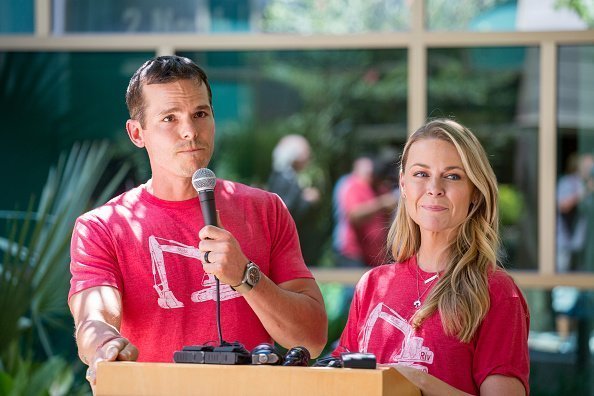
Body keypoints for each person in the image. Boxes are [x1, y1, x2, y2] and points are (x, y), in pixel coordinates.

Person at [68, 55, 327, 387]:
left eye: (200, 114)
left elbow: (313, 338)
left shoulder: (266, 209)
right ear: (137, 133)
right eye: (169, 118)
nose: (190, 131)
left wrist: (246, 276)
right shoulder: (103, 226)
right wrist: (105, 348)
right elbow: (95, 318)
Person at [333, 119, 530, 395]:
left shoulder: (496, 292)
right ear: (403, 185)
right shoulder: (372, 286)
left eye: (452, 176)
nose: (434, 187)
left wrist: (418, 382)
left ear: (474, 192)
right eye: (421, 174)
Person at [332, 155, 398, 267]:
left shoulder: (380, 189)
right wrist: (381, 203)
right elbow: (354, 216)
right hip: (352, 253)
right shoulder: (353, 185)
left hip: (374, 255)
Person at [267, 134, 320, 222]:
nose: (308, 157)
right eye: (306, 152)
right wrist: (307, 201)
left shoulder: (285, 176)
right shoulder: (285, 178)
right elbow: (285, 210)